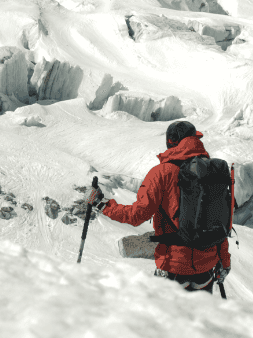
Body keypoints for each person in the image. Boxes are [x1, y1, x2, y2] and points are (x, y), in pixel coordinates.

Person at [88, 121, 231, 293]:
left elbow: (137, 215)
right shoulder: (212, 171)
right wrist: (224, 262)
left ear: (170, 141)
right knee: (196, 319)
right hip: (206, 270)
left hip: (173, 267)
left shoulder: (161, 173)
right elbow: (218, 220)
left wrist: (103, 205)